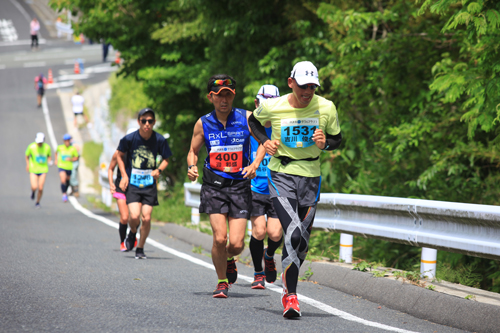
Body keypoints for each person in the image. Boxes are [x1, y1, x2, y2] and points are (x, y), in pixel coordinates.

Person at [249, 61, 342, 317]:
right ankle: (290, 296)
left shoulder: (326, 107)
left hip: (311, 177)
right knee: (293, 234)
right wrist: (265, 141)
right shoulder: (274, 106)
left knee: (302, 244)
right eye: (303, 86)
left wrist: (326, 144)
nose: (307, 91)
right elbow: (254, 123)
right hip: (281, 174)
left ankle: (285, 274)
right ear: (291, 83)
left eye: (312, 86)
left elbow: (337, 138)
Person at [187, 74, 265, 298]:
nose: (224, 100)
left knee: (237, 243)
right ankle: (222, 281)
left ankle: (230, 258)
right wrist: (191, 166)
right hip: (214, 185)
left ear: (233, 96)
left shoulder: (247, 117)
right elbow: (193, 151)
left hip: (240, 185)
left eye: (228, 96)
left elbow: (263, 142)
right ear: (211, 97)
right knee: (219, 238)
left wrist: (255, 164)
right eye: (220, 96)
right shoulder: (203, 123)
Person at [117, 109, 172, 259]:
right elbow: (119, 156)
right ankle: (133, 231)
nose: (147, 124)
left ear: (154, 122)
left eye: (150, 121)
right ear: (138, 122)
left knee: (146, 218)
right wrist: (123, 175)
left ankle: (140, 248)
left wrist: (159, 170)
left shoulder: (159, 140)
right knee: (134, 216)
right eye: (143, 121)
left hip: (149, 185)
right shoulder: (130, 139)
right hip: (133, 184)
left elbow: (166, 159)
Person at [249, 85, 283, 290]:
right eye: (263, 103)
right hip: (254, 189)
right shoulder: (250, 128)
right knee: (259, 231)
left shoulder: (282, 128)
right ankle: (258, 272)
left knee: (276, 234)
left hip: (277, 189)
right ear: (256, 104)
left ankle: (269, 255)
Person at [109, 128, 138, 252]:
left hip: (136, 187)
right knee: (125, 217)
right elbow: (110, 169)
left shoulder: (139, 153)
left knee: (135, 217)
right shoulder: (118, 153)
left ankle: (132, 235)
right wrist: (111, 184)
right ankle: (122, 242)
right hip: (120, 188)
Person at [25, 132, 52, 208]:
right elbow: (27, 155)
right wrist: (27, 164)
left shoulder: (47, 147)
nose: (39, 144)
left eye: (41, 142)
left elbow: (49, 157)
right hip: (33, 169)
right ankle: (33, 191)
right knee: (34, 186)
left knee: (40, 188)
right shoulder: (31, 147)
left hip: (43, 169)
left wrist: (50, 162)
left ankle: (37, 202)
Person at [55, 134, 79, 202]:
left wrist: (71, 159)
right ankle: (64, 194)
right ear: (64, 141)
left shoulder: (73, 148)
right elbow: (56, 152)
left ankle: (66, 190)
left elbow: (76, 157)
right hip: (61, 166)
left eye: (68, 141)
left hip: (69, 167)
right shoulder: (60, 147)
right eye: (65, 141)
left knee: (67, 181)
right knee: (63, 180)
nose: (67, 142)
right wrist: (56, 160)